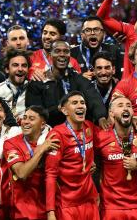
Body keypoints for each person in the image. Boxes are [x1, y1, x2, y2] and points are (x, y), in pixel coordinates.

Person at [94, 95, 137, 220]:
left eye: (129, 106)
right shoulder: (100, 137)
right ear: (111, 113)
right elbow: (96, 169)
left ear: (133, 112)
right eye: (120, 105)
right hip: (111, 205)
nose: (126, 108)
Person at [25, 40, 108, 128]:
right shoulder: (38, 82)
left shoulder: (78, 78)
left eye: (66, 51)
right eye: (57, 51)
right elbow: (34, 112)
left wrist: (101, 117)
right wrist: (59, 108)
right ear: (50, 54)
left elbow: (93, 96)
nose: (62, 54)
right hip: (49, 130)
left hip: (78, 130)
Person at [45, 91, 100, 220]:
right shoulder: (57, 135)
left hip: (89, 200)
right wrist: (50, 211)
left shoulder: (90, 127)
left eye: (82, 102)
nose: (80, 106)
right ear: (64, 111)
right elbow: (50, 174)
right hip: (67, 204)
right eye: (74, 103)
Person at [3, 105, 56, 220]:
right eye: (24, 117)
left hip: (51, 207)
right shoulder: (11, 143)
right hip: (23, 211)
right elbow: (21, 173)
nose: (25, 122)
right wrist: (41, 150)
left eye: (31, 119)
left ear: (42, 125)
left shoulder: (53, 141)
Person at [72, 15, 123, 80]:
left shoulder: (114, 51)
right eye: (88, 30)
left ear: (104, 34)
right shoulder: (71, 54)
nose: (92, 33)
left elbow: (122, 78)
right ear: (82, 35)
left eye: (96, 29)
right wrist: (79, 78)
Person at [0, 48, 30, 120]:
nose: (20, 69)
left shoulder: (35, 90)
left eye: (24, 65)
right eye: (15, 65)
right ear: (7, 69)